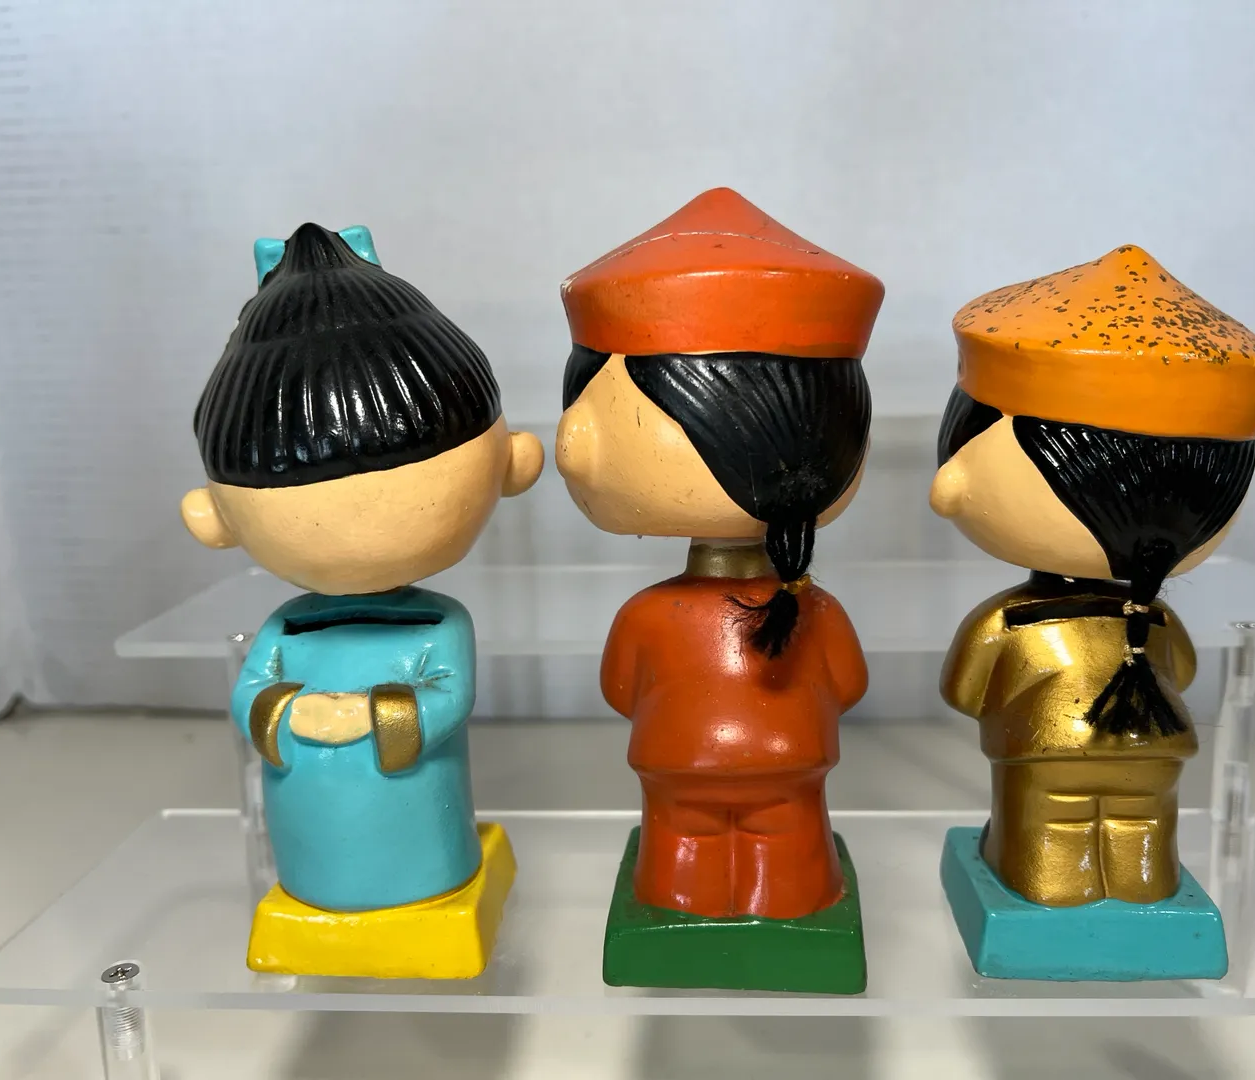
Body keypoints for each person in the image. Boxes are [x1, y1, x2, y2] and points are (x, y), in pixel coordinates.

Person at [182, 222, 543, 977]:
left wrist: (370, 716)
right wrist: (287, 713)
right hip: (307, 816)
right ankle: (320, 893)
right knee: (319, 855)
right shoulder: (285, 629)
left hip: (417, 823)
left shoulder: (440, 625)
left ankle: (425, 889)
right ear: (215, 518)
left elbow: (448, 698)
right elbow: (251, 696)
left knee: (417, 848)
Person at [931, 245, 1255, 975]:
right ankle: (1143, 888)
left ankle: (1049, 891)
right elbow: (1182, 674)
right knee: (1138, 827)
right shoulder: (1157, 623)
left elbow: (962, 693)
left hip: (1046, 750)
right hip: (1157, 746)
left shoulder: (1007, 623)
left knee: (1051, 836)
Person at [557, 188, 882, 993]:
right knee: (786, 846)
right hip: (791, 760)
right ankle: (788, 901)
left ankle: (681, 906)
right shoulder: (815, 605)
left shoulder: (649, 612)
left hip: (676, 759)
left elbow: (619, 690)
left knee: (682, 846)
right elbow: (849, 684)